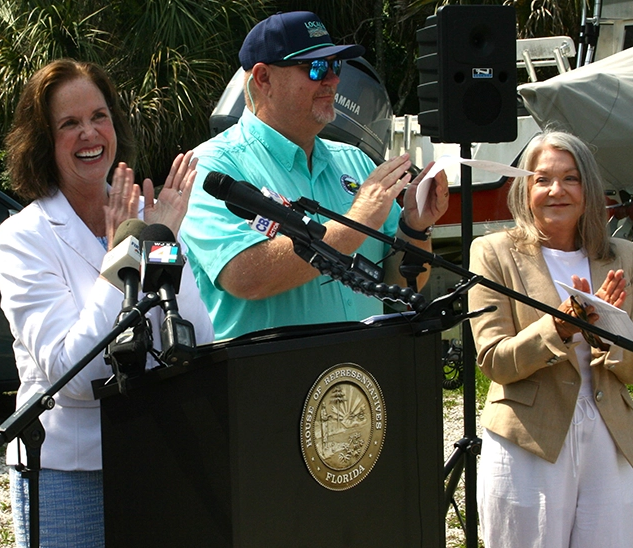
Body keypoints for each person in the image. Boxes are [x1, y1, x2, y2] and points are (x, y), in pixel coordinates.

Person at [0, 59, 214, 548]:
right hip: (69, 476)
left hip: (160, 459)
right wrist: (122, 251)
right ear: (42, 141)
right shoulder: (23, 238)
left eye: (99, 116)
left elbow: (197, 341)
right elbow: (75, 373)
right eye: (68, 124)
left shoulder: (148, 217)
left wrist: (165, 241)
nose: (89, 133)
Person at [181, 11, 450, 339]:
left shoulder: (355, 161)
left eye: (335, 66)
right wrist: (359, 220)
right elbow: (245, 277)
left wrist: (415, 226)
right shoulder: (213, 167)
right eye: (316, 67)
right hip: (268, 382)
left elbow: (395, 284)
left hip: (358, 379)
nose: (333, 80)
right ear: (264, 79)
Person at [468, 131, 633, 548]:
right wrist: (558, 328)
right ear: (525, 191)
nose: (556, 190)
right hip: (528, 439)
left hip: (610, 435)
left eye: (571, 178)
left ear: (589, 189)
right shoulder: (492, 252)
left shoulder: (624, 258)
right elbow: (494, 361)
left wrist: (606, 332)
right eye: (542, 179)